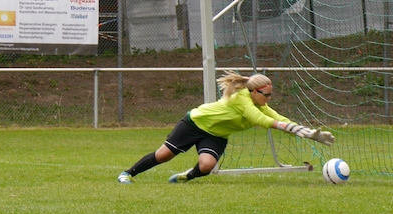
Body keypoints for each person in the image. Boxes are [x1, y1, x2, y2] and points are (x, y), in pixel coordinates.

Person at [117, 71, 335, 185]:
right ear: (254, 92)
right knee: (163, 155)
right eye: (266, 95)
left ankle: (186, 177)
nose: (269, 98)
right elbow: (260, 120)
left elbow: (278, 118)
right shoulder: (242, 98)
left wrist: (309, 133)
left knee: (206, 166)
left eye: (270, 95)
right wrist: (290, 128)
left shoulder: (260, 103)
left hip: (217, 134)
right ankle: (127, 174)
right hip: (195, 123)